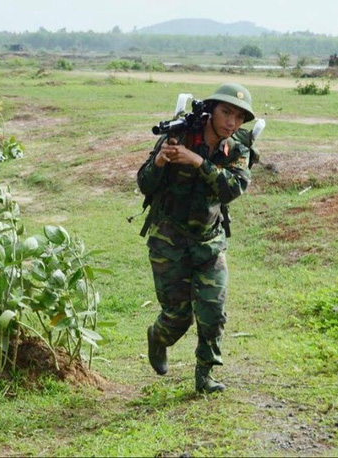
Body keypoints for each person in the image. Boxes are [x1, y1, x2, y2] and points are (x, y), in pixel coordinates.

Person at [137, 83, 255, 394]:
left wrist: (196, 161)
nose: (231, 122)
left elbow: (233, 188)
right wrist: (161, 161)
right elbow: (145, 184)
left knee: (213, 312)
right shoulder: (179, 136)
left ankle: (205, 376)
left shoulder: (237, 150)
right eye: (226, 112)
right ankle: (158, 337)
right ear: (212, 110)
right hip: (168, 239)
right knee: (178, 316)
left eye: (239, 117)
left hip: (209, 241)